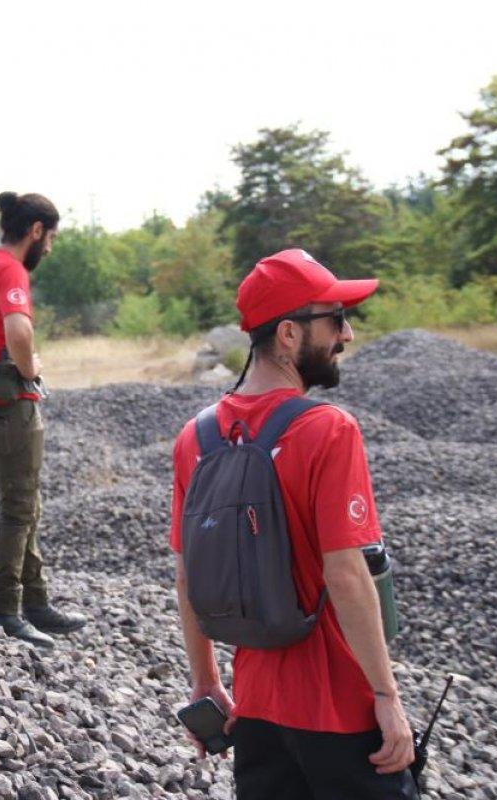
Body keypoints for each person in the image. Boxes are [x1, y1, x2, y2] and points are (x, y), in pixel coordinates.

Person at [169, 248, 417, 799]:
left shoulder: (197, 437)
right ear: (288, 333)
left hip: (255, 714)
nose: (346, 335)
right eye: (336, 320)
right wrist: (386, 695)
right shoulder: (329, 430)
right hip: (342, 713)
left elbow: (188, 576)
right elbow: (347, 575)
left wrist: (206, 681)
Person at [0, 191, 86, 648]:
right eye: (49, 238)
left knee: (24, 505)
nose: (49, 248)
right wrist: (32, 369)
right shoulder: (10, 270)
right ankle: (5, 611)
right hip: (9, 408)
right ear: (35, 231)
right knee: (18, 512)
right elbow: (17, 330)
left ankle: (36, 602)